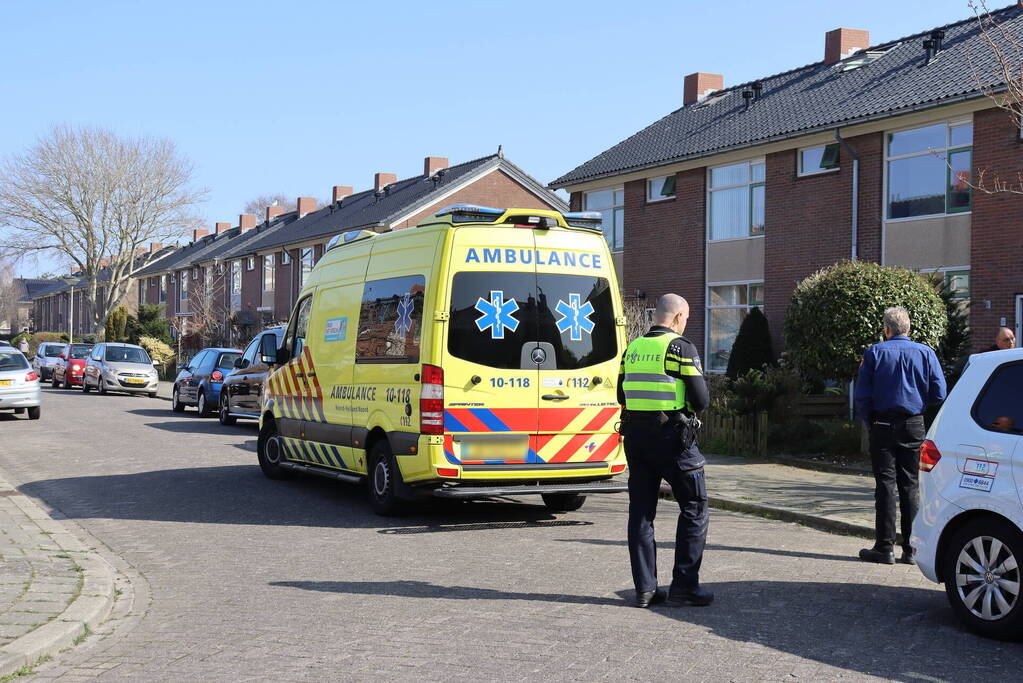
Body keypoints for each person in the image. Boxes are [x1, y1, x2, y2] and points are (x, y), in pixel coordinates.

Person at [617, 293, 711, 608]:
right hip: (672, 439)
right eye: (686, 318)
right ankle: (684, 588)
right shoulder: (679, 348)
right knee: (694, 508)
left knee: (641, 513)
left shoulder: (632, 348)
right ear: (678, 317)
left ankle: (645, 589)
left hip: (636, 438)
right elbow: (701, 400)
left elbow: (621, 394)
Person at [855, 306, 946, 565]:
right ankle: (911, 549)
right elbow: (939, 392)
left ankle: (884, 547)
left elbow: (862, 396)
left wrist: (870, 421)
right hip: (914, 423)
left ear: (886, 329)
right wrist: (919, 407)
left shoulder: (875, 353)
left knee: (885, 485)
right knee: (911, 486)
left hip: (883, 423)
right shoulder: (926, 352)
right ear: (908, 328)